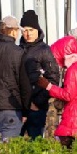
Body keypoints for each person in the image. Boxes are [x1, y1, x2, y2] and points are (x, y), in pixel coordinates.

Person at [34, 35, 77, 148]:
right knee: (76, 151)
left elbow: (68, 95)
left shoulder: (73, 70)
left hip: (75, 117)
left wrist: (48, 86)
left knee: (70, 150)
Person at [18, 10, 60, 139]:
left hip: (36, 105)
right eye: (25, 30)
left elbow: (53, 78)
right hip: (19, 104)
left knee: (35, 140)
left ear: (37, 30)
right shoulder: (18, 49)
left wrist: (38, 102)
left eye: (31, 30)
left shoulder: (44, 50)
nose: (28, 33)